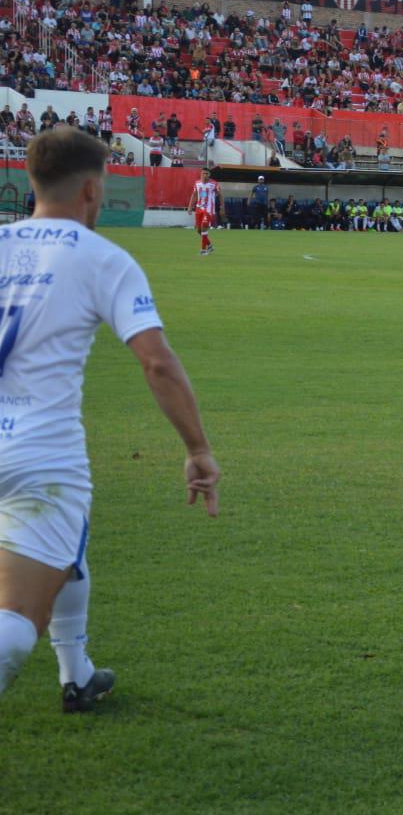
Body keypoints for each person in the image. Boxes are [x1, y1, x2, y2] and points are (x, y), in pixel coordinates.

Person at [0, 127, 220, 710]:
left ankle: (77, 675)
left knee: (70, 547)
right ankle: (71, 673)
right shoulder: (103, 259)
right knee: (16, 620)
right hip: (39, 454)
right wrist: (198, 449)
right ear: (94, 191)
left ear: (31, 181)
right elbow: (157, 364)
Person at [190, 168, 220, 256]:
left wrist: (222, 207)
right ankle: (210, 245)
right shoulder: (197, 183)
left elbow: (220, 194)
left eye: (207, 173)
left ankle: (203, 250)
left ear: (209, 175)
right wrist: (190, 207)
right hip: (199, 208)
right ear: (201, 174)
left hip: (209, 209)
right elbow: (194, 195)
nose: (205, 175)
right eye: (203, 173)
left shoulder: (214, 184)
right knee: (199, 230)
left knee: (203, 227)